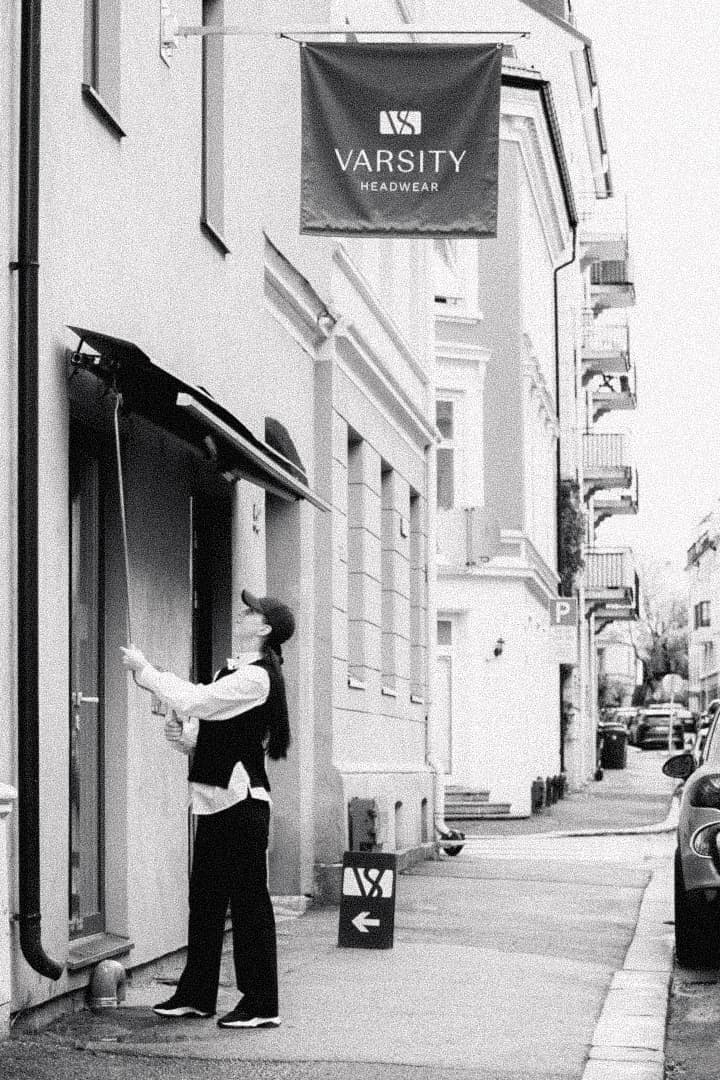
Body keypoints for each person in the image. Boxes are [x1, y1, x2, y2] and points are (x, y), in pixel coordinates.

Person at [120, 589, 295, 1029]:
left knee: (249, 903)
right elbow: (205, 738)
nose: (242, 613)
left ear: (266, 628)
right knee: (206, 900)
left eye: (252, 611)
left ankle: (261, 1005)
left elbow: (198, 701)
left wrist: (147, 672)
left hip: (241, 804)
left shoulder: (256, 678)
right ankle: (197, 994)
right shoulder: (231, 672)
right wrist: (180, 732)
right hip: (215, 802)